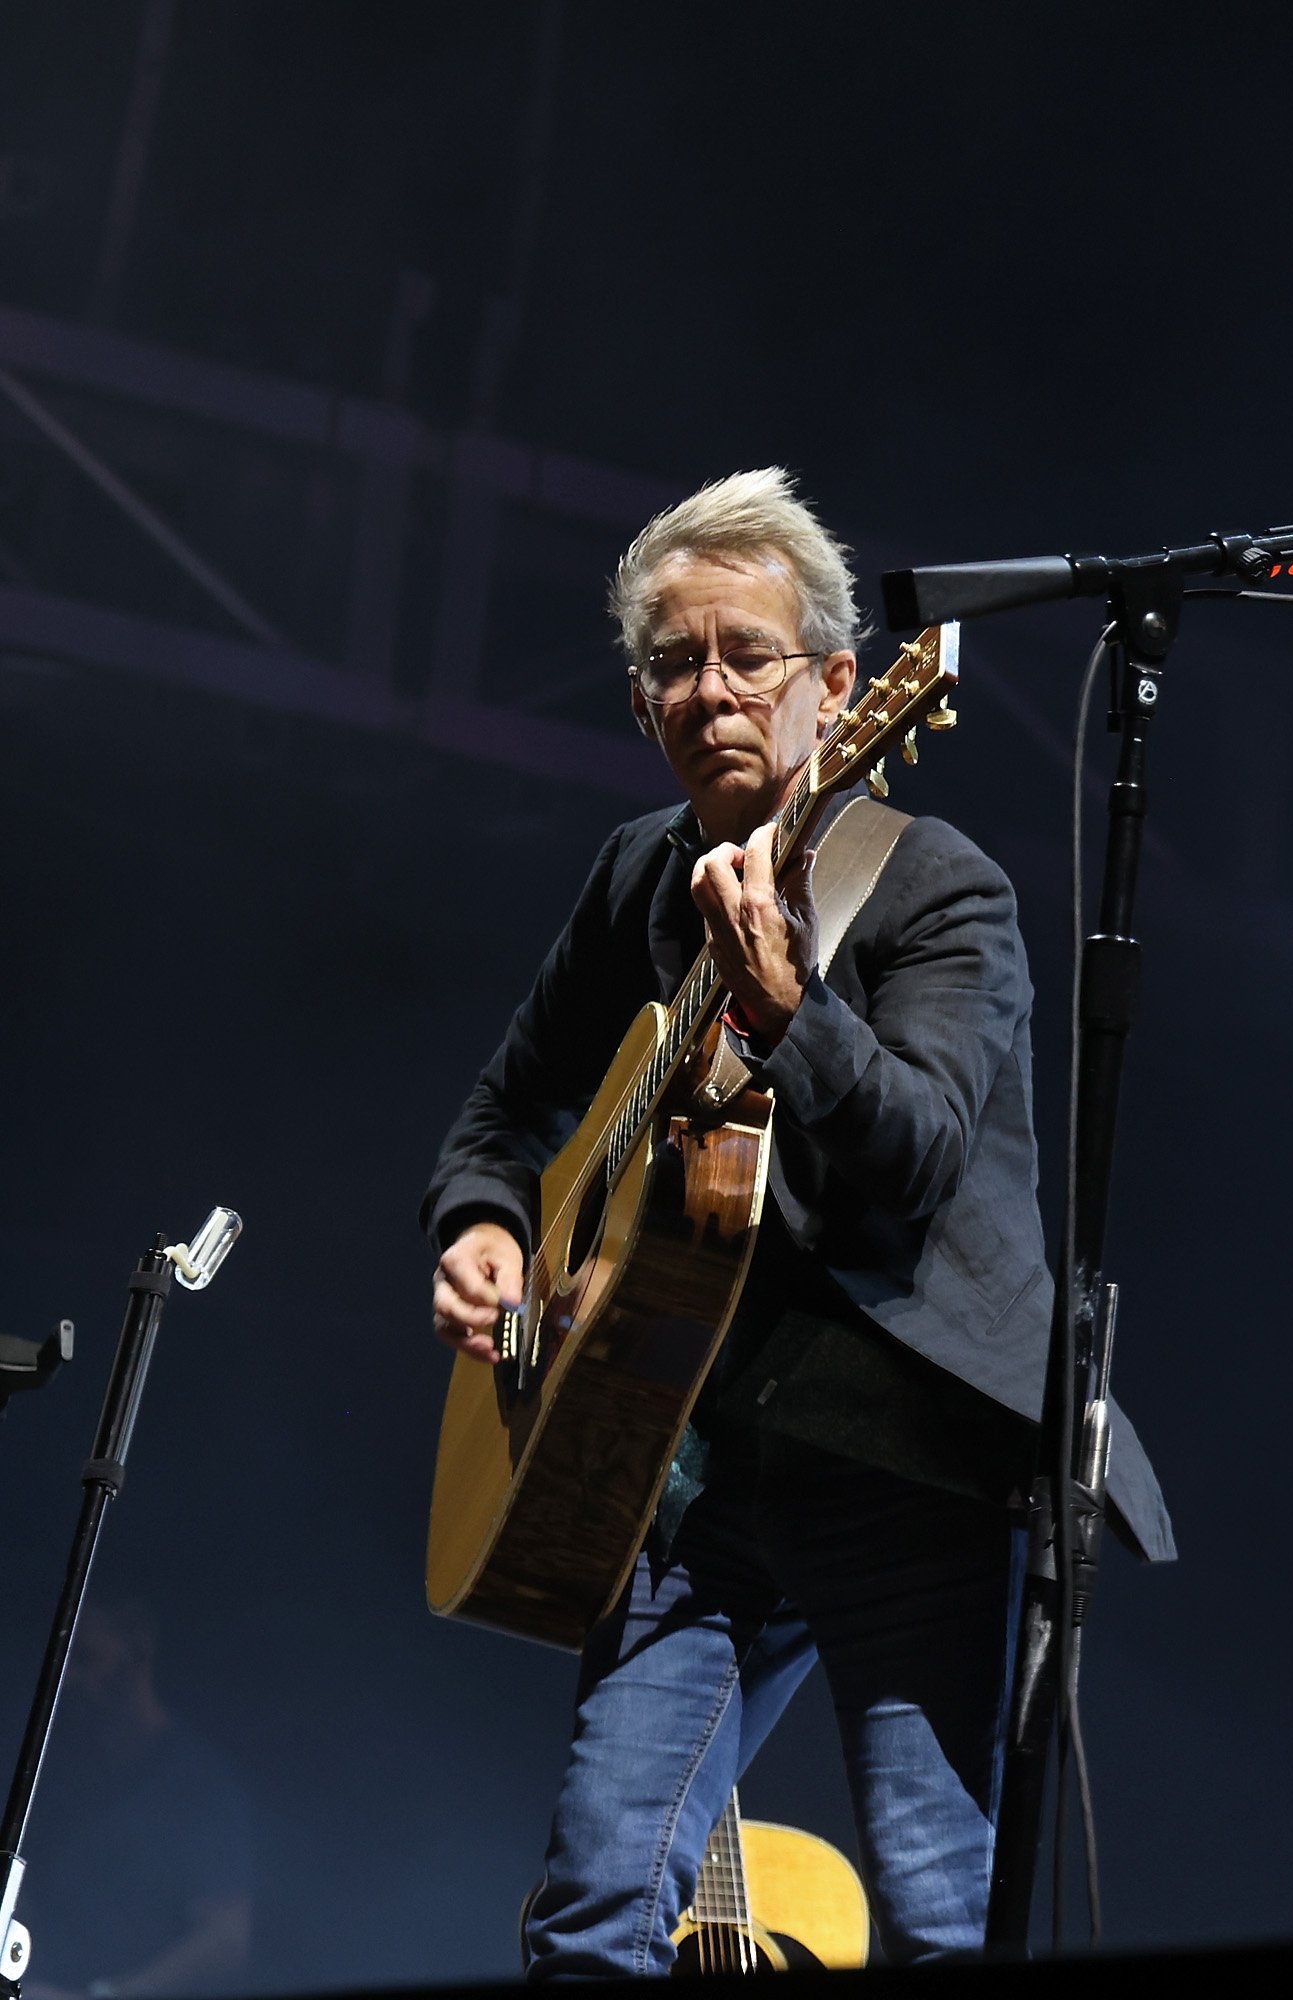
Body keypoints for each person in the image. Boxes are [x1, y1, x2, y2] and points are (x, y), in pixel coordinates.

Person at [421, 468, 1166, 1974]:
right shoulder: (634, 874)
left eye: (748, 655)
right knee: (588, 1915)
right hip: (686, 1471)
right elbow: (505, 1113)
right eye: (674, 664)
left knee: (941, 1913)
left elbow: (917, 1160)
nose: (712, 691)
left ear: (841, 685)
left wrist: (790, 1016)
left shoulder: (936, 890)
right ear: (641, 707)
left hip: (903, 1461)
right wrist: (491, 1222)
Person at [12, 1602, 253, 2000]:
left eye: (85, 1657)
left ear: (137, 1650)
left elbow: (226, 1941)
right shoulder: (64, 1772)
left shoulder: (198, 1785)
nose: (67, 1678)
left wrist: (102, 1995)